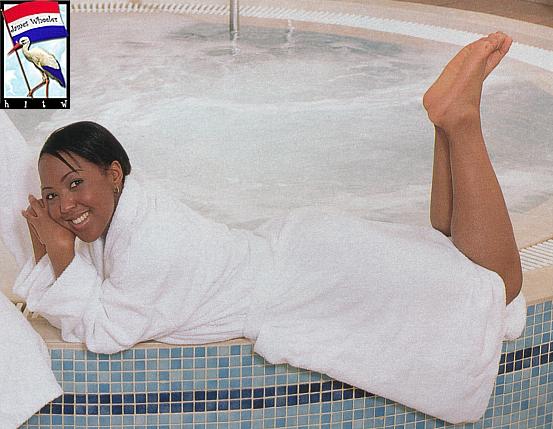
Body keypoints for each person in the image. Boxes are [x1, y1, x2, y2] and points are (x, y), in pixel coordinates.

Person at [2, 32, 526, 424]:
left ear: (115, 175)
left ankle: (460, 120)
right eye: (51, 195)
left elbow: (104, 333)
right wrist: (58, 246)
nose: (64, 205)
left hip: (314, 283)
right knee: (448, 254)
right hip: (306, 255)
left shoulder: (149, 243)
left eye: (75, 184)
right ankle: (446, 121)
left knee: (496, 285)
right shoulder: (138, 213)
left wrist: (60, 252)